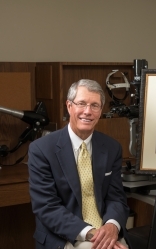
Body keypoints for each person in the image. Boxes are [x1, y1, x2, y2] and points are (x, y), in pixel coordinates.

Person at [28, 79, 130, 249]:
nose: (87, 111)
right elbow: (47, 206)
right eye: (81, 104)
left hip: (105, 231)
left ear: (100, 111)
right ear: (69, 106)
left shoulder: (112, 148)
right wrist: (93, 234)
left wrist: (112, 226)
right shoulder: (41, 149)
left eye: (95, 105)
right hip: (65, 235)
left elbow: (116, 197)